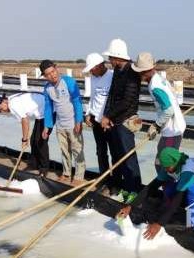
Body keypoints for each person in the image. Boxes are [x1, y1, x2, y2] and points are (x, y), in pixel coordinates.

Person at [117, 147, 194, 240]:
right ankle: (173, 212)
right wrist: (130, 206)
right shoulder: (171, 166)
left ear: (174, 162)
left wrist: (159, 224)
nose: (165, 169)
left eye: (167, 167)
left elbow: (176, 199)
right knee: (168, 188)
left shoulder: (188, 170)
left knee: (183, 197)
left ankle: (193, 221)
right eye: (164, 167)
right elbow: (151, 187)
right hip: (191, 186)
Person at [100, 38, 143, 196]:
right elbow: (112, 94)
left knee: (128, 157)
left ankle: (135, 190)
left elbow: (127, 101)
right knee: (118, 156)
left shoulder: (132, 72)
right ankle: (125, 187)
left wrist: (109, 115)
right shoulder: (118, 71)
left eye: (110, 57)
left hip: (125, 121)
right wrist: (107, 116)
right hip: (115, 120)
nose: (109, 60)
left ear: (118, 57)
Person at [131, 52, 186, 173]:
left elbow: (168, 110)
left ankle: (174, 188)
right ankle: (170, 187)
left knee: (164, 164)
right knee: (162, 161)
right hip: (172, 126)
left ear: (146, 71)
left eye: (141, 71)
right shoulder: (159, 79)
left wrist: (156, 125)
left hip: (173, 130)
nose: (139, 74)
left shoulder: (155, 86)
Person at [39, 60, 86, 185]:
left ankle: (79, 176)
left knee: (77, 150)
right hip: (60, 125)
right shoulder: (47, 88)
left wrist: (78, 121)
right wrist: (46, 126)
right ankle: (66, 174)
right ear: (44, 76)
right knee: (64, 151)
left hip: (72, 123)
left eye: (53, 71)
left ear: (56, 68)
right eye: (48, 74)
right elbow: (48, 108)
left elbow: (77, 102)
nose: (52, 75)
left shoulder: (69, 82)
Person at [0, 92, 50, 176]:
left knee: (40, 141)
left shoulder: (13, 105)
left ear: (3, 101)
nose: (2, 111)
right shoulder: (11, 101)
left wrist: (24, 139)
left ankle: (44, 169)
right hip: (40, 113)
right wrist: (26, 139)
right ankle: (35, 165)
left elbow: (25, 121)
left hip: (48, 110)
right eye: (0, 110)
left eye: (0, 108)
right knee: (33, 140)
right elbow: (25, 120)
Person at [82, 53, 116, 191]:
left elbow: (115, 100)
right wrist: (88, 113)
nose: (91, 71)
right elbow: (93, 97)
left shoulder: (113, 76)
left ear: (101, 65)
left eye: (93, 68)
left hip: (109, 121)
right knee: (101, 152)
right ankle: (104, 180)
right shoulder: (93, 77)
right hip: (97, 121)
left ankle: (115, 182)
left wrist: (109, 117)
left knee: (115, 152)